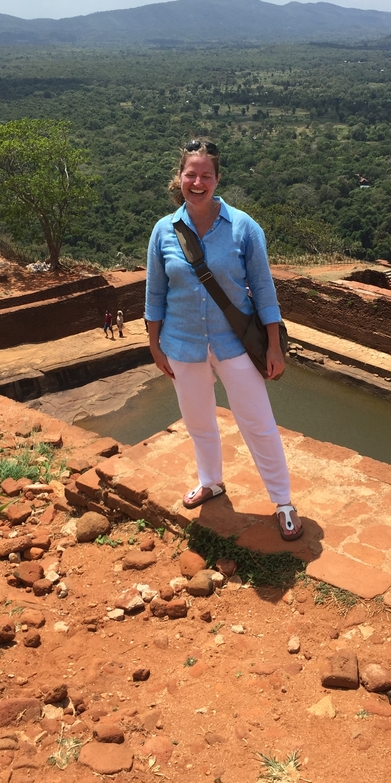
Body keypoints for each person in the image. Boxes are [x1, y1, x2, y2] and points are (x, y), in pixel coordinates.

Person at [145, 138, 302, 541]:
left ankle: (283, 501)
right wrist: (154, 343)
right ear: (179, 177)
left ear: (217, 179)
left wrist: (273, 346)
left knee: (258, 423)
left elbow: (264, 292)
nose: (197, 182)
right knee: (198, 422)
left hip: (234, 344)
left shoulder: (243, 227)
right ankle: (211, 481)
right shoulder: (165, 231)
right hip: (182, 344)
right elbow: (155, 293)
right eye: (190, 175)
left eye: (205, 176)